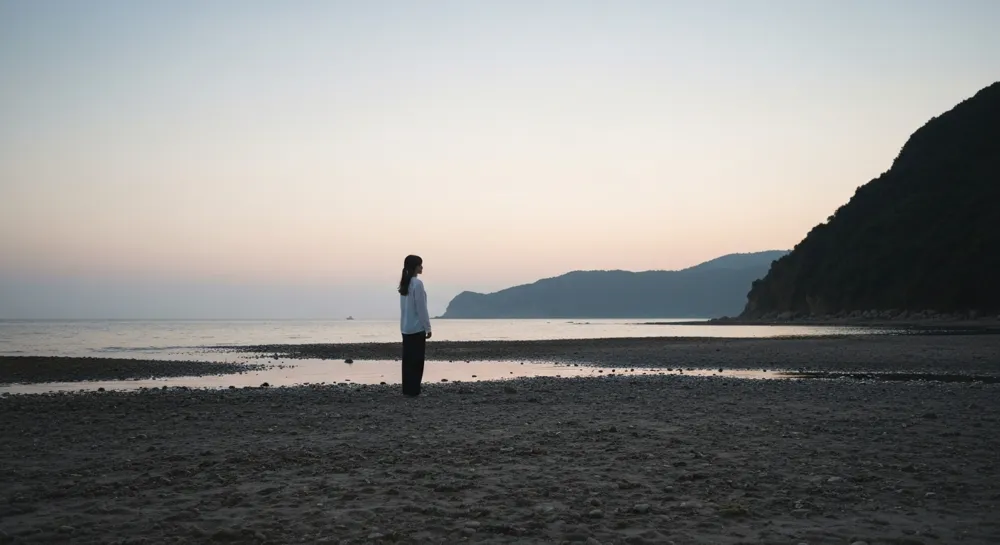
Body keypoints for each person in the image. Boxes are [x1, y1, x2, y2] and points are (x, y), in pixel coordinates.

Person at [398, 254, 432, 396]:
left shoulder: (404, 284)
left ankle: (407, 390)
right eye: (420, 265)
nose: (422, 267)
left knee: (407, 361)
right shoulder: (417, 284)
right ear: (415, 267)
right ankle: (414, 391)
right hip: (417, 328)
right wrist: (428, 327)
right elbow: (421, 308)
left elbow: (404, 308)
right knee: (417, 361)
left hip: (406, 328)